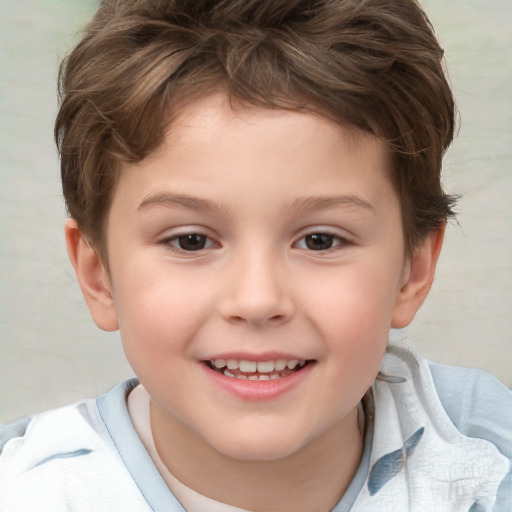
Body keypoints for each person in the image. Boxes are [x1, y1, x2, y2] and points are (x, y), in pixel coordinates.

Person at [0, 0, 510, 510]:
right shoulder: (29, 490)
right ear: (98, 276)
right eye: (191, 241)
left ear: (412, 269)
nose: (257, 299)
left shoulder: (488, 458)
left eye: (320, 240)